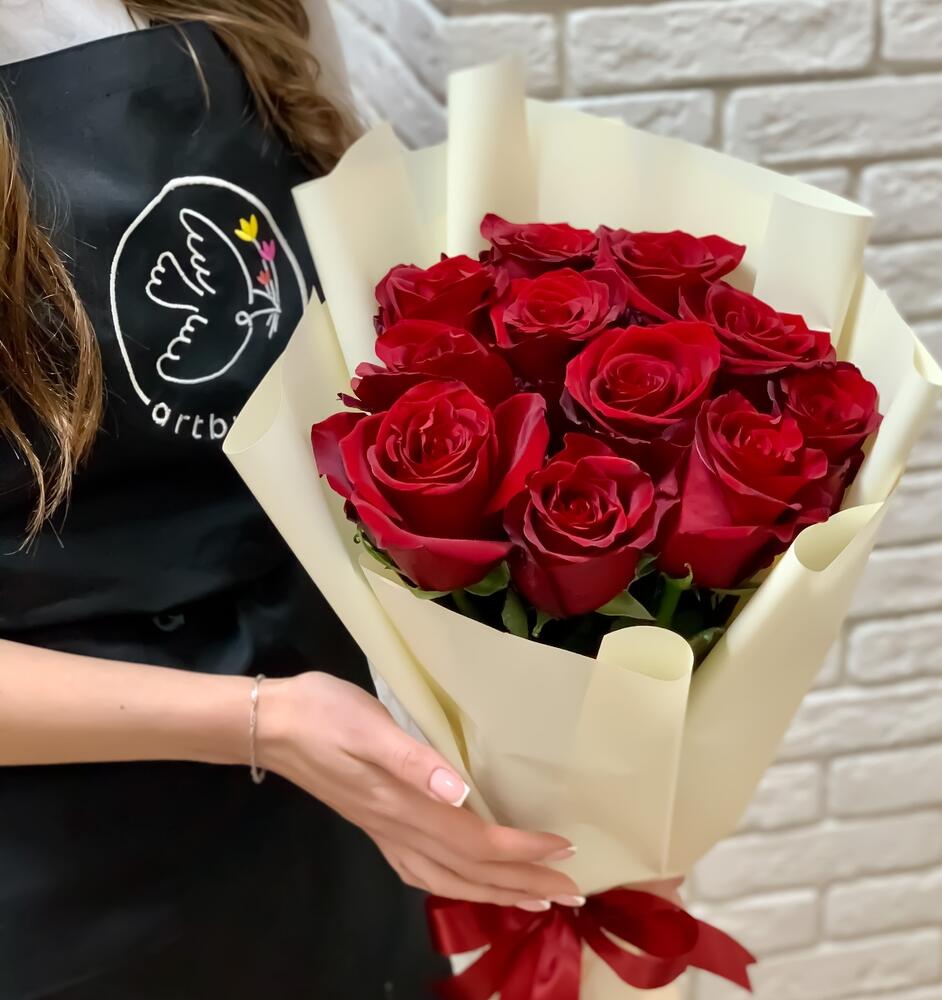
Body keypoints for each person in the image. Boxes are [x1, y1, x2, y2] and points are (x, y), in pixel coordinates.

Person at [0, 3, 583, 997]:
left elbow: (355, 325)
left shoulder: (254, 13)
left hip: (332, 786)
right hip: (65, 877)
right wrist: (259, 721)